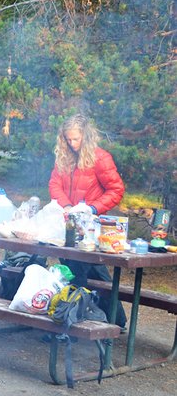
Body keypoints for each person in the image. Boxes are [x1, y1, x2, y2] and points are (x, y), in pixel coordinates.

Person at [48, 113, 127, 328]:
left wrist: (92, 208)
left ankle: (102, 322)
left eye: (76, 139)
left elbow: (116, 189)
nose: (72, 144)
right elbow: (54, 185)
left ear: (86, 136)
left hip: (91, 229)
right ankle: (78, 320)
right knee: (74, 270)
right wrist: (66, 206)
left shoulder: (100, 158)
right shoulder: (64, 157)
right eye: (68, 139)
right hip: (68, 225)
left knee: (89, 274)